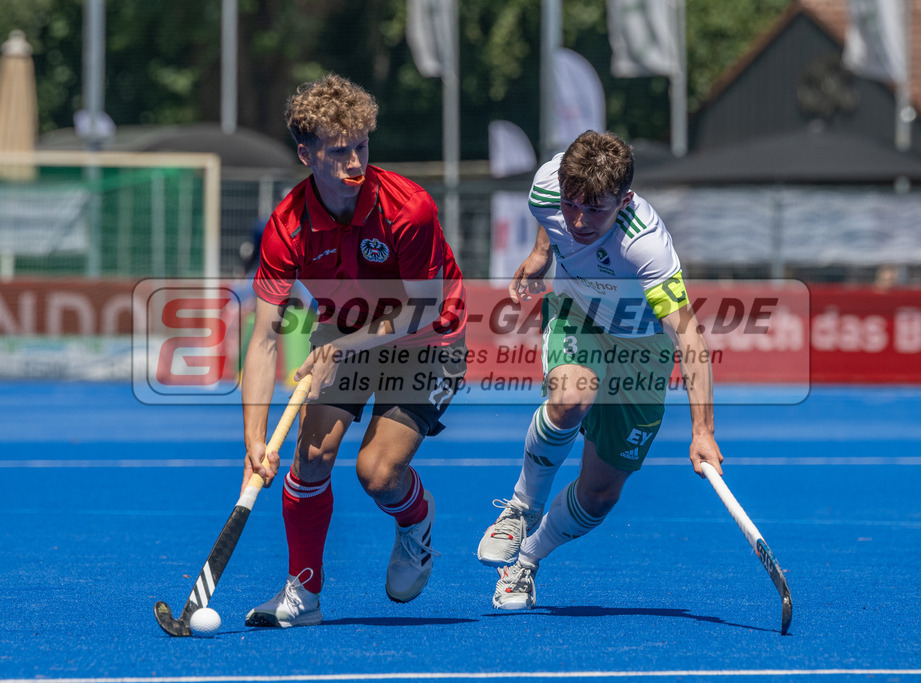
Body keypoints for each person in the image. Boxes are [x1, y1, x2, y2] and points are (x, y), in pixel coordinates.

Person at [241, 73, 467, 627]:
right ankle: (303, 595)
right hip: (347, 332)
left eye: (362, 145)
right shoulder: (286, 227)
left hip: (426, 339)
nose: (355, 163)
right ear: (306, 154)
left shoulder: (408, 210)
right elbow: (264, 336)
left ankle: (416, 521)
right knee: (311, 458)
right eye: (339, 151)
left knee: (376, 472)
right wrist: (253, 436)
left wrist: (339, 347)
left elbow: (419, 309)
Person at [476, 130, 723, 609]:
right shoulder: (548, 187)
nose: (580, 220)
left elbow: (689, 336)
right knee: (572, 395)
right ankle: (520, 508)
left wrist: (702, 431)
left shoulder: (645, 246)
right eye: (572, 204)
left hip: (642, 344)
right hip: (578, 312)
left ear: (625, 200)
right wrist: (542, 254)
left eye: (596, 209)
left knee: (599, 494)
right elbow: (553, 219)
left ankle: (525, 560)